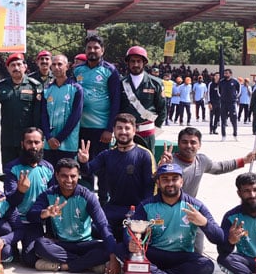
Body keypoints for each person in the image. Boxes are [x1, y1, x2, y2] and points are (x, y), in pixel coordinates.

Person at [126, 163, 225, 274]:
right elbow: (131, 231)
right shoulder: (146, 205)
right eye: (165, 179)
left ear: (181, 182)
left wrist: (204, 222)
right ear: (158, 183)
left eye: (174, 179)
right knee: (123, 251)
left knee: (207, 266)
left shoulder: (196, 206)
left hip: (182, 257)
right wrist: (132, 243)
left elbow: (219, 237)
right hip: (154, 253)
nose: (170, 183)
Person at [158, 127, 256, 253]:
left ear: (199, 145)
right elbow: (153, 183)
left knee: (199, 246)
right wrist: (160, 168)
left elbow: (220, 167)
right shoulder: (169, 162)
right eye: (184, 142)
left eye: (193, 142)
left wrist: (244, 160)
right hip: (165, 209)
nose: (189, 145)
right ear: (178, 144)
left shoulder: (202, 161)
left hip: (189, 209)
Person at [28, 158, 121, 274]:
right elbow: (31, 215)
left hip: (85, 243)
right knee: (40, 244)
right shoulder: (49, 194)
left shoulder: (87, 196)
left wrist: (113, 257)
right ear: (56, 175)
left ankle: (65, 266)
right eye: (64, 176)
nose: (69, 180)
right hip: (62, 244)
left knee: (108, 249)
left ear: (79, 176)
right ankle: (88, 265)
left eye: (73, 176)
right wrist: (45, 213)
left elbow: (103, 225)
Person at [77, 113, 155, 241]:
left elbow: (150, 188)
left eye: (127, 128)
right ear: (114, 130)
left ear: (134, 130)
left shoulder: (144, 155)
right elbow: (87, 171)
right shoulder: (107, 155)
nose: (123, 132)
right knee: (95, 230)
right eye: (119, 128)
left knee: (129, 238)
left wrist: (143, 214)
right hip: (113, 207)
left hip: (136, 209)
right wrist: (84, 162)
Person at [73, 35, 121, 201]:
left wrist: (110, 129)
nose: (92, 51)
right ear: (85, 50)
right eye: (89, 48)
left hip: (102, 129)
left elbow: (116, 101)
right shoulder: (78, 70)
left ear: (102, 50)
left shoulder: (110, 70)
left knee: (103, 166)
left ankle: (103, 199)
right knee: (84, 163)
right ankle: (86, 198)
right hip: (82, 128)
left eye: (96, 48)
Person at [3, 127, 55, 266]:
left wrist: (50, 232)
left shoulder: (49, 169)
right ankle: (11, 250)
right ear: (22, 144)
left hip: (34, 222)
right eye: (29, 142)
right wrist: (20, 191)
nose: (33, 146)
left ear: (42, 144)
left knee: (30, 259)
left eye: (36, 142)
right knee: (6, 251)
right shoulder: (12, 168)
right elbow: (10, 201)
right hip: (14, 221)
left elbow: (52, 202)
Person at [119, 46, 166, 152]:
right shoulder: (120, 83)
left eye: (139, 61)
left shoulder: (156, 83)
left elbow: (162, 110)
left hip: (147, 133)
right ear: (128, 63)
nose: (135, 64)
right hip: (125, 133)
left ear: (144, 63)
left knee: (148, 164)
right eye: (132, 61)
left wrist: (155, 131)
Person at [41, 54, 84, 167]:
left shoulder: (76, 88)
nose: (56, 67)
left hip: (68, 143)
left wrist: (59, 138)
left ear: (67, 66)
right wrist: (49, 138)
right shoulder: (47, 89)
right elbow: (44, 115)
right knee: (49, 176)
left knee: (66, 176)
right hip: (49, 143)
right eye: (53, 64)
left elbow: (76, 116)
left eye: (60, 64)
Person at [219, 68, 240, 142]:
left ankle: (235, 135)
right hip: (224, 103)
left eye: (227, 73)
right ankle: (223, 135)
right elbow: (219, 91)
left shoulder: (235, 82)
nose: (225, 75)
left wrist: (235, 97)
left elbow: (239, 91)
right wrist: (222, 97)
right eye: (225, 73)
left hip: (232, 103)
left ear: (230, 74)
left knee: (234, 120)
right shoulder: (221, 82)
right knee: (223, 120)